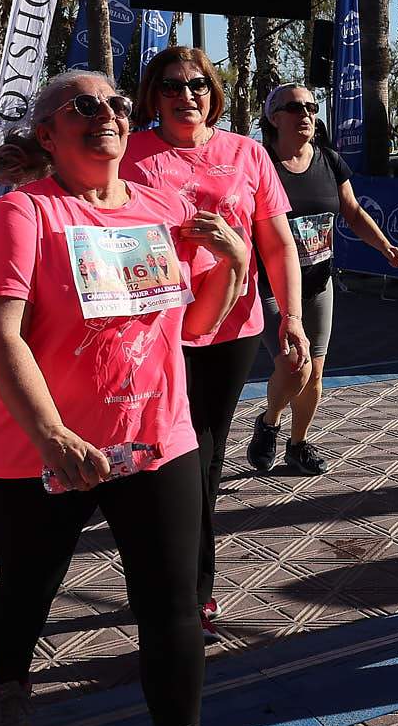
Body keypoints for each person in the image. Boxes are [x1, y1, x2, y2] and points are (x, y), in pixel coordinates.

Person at [0, 70, 257, 726]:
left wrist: (238, 265)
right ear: (47, 132)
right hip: (37, 449)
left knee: (173, 598)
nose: (107, 115)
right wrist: (53, 435)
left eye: (116, 103)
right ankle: (10, 685)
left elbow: (192, 327)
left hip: (155, 439)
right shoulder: (26, 212)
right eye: (82, 106)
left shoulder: (159, 207)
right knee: (29, 582)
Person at [124, 47, 306, 642]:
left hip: (232, 330)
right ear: (153, 96)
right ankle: (167, 580)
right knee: (154, 458)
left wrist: (293, 320)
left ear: (215, 93)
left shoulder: (246, 153)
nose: (187, 96)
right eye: (172, 86)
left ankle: (191, 592)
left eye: (199, 85)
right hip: (153, 331)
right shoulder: (128, 154)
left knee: (201, 455)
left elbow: (277, 245)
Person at [246, 83, 398, 476]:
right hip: (271, 286)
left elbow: (351, 211)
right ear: (273, 116)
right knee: (293, 364)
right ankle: (268, 421)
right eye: (294, 107)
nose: (305, 114)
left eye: (311, 107)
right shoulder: (260, 162)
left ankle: (296, 444)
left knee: (315, 371)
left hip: (318, 283)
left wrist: (383, 246)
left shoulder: (330, 161)